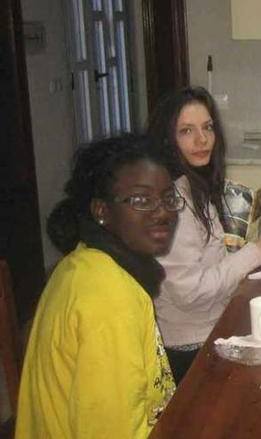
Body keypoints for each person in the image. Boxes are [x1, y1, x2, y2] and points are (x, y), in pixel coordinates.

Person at [16, 135, 180, 438]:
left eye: (169, 198)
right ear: (101, 211)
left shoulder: (82, 263)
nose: (163, 212)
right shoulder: (111, 299)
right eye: (142, 200)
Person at [146, 87, 261, 383]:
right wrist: (254, 253)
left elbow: (207, 260)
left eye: (207, 127)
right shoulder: (173, 203)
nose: (202, 140)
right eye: (186, 131)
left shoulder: (192, 186)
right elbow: (190, 293)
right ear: (167, 140)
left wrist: (246, 246)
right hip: (192, 346)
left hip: (214, 322)